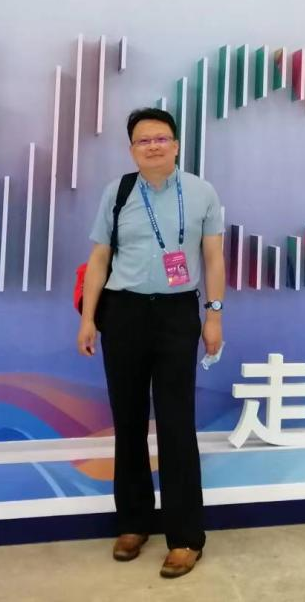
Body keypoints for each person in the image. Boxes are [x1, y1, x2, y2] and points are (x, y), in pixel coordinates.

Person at [77, 107, 225, 579]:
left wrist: (213, 316)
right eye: (144, 141)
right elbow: (99, 258)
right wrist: (88, 319)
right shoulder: (118, 192)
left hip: (178, 314)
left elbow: (214, 259)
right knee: (128, 420)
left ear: (176, 145)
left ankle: (185, 536)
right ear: (132, 150)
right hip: (123, 313)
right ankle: (133, 522)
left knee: (177, 423)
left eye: (162, 138)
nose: (154, 146)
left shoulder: (202, 192)